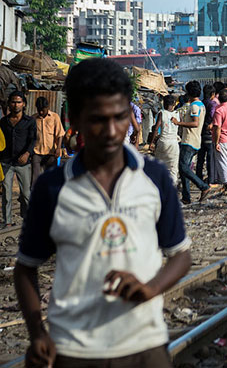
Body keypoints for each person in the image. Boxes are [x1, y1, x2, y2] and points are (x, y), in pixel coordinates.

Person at [13, 57, 191, 368]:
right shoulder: (53, 188)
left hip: (145, 347)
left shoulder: (154, 177)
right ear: (77, 121)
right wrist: (37, 333)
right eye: (98, 119)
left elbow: (180, 255)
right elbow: (26, 267)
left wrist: (150, 288)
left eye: (120, 117)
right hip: (73, 349)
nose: (111, 131)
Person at [0, 91, 36, 227]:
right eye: (13, 102)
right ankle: (7, 221)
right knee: (6, 194)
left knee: (26, 194)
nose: (16, 105)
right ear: (9, 104)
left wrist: (27, 153)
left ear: (24, 104)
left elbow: (33, 140)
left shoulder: (30, 122)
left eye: (19, 102)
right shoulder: (3, 122)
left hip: (23, 163)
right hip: (6, 162)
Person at [172, 81, 211, 204]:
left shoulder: (194, 106)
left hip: (190, 140)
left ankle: (203, 186)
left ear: (188, 93)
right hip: (193, 139)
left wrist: (178, 123)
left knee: (183, 167)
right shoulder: (200, 105)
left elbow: (195, 123)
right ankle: (186, 196)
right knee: (184, 169)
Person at [32, 97, 65, 186]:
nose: (41, 112)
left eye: (43, 110)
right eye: (39, 110)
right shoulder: (33, 119)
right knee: (35, 178)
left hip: (51, 153)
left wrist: (58, 148)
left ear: (47, 107)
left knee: (51, 178)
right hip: (36, 152)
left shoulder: (55, 117)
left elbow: (60, 134)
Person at [149, 94, 180, 184]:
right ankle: (172, 189)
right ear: (174, 103)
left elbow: (156, 128)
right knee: (173, 169)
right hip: (174, 143)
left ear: (164, 103)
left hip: (163, 142)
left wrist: (152, 142)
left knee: (160, 166)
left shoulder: (162, 113)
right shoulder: (177, 114)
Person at [196, 84, 217, 184]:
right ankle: (211, 179)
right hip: (209, 134)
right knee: (210, 158)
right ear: (213, 94)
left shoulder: (200, 104)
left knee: (200, 158)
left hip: (200, 134)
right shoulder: (212, 104)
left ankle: (198, 178)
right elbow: (214, 117)